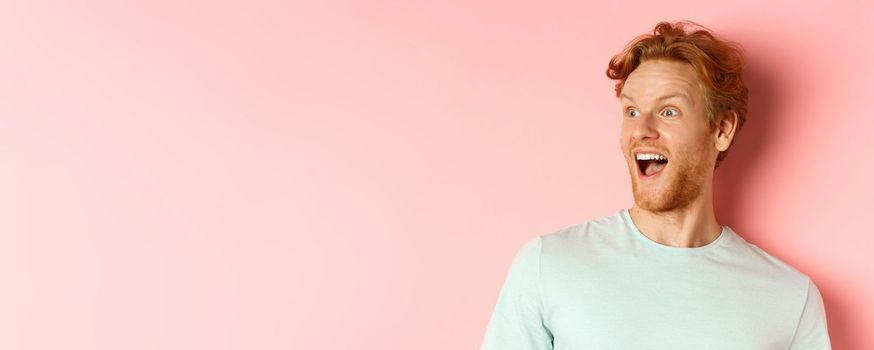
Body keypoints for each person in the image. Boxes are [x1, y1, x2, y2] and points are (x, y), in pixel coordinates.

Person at [480, 21, 831, 349]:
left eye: (668, 112)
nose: (641, 130)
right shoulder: (549, 265)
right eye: (631, 112)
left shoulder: (788, 298)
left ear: (722, 130)